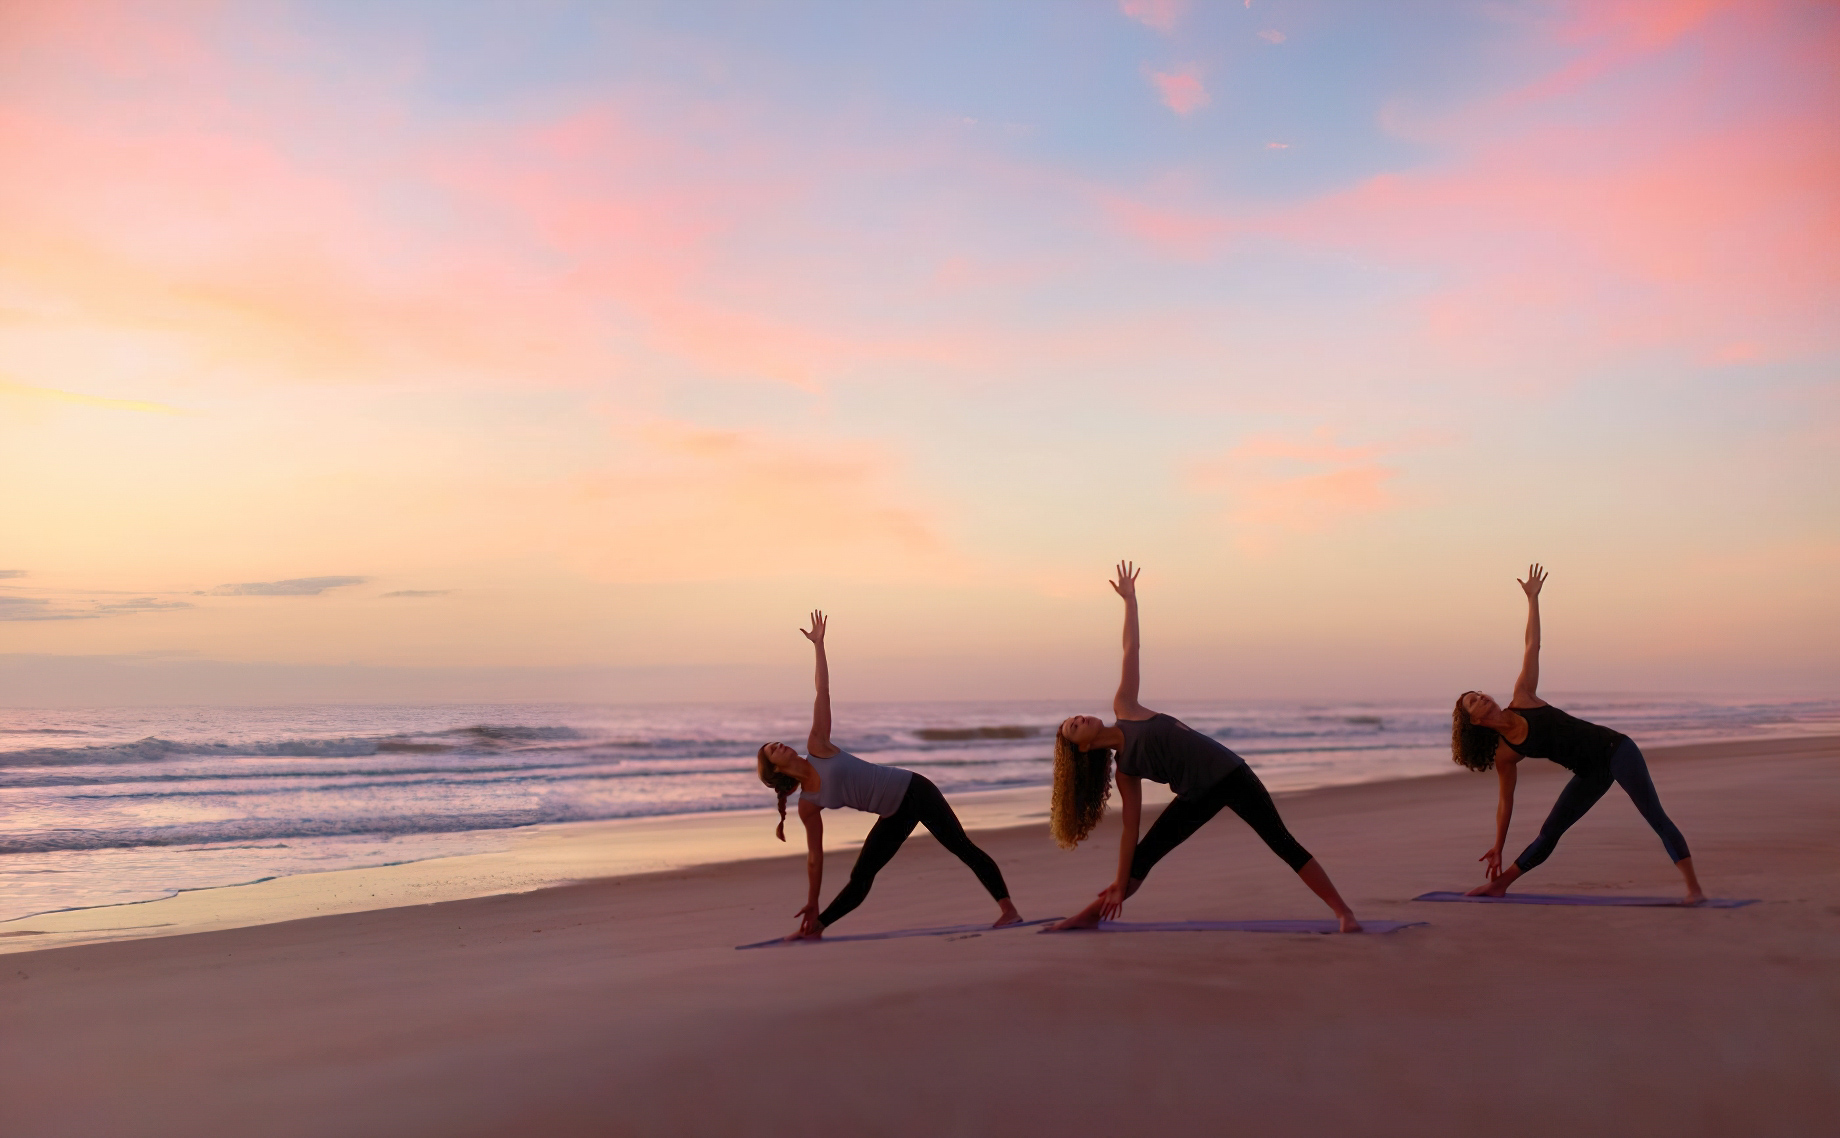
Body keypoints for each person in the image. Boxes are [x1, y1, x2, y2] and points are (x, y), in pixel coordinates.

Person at [1049, 563, 1362, 933]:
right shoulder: (1126, 771)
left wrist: (1130, 601)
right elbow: (1129, 831)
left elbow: (1131, 648)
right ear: (1082, 750)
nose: (1081, 718)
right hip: (1196, 795)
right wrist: (1120, 880)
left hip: (1230, 774)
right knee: (1142, 858)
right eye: (1074, 726)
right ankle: (1091, 914)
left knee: (1281, 842)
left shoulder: (1126, 707)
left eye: (1077, 716)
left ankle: (1345, 914)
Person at [757, 610, 1023, 940]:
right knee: (861, 875)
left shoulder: (818, 745)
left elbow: (822, 690)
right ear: (776, 769)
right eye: (773, 750)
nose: (779, 745)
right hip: (894, 812)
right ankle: (817, 927)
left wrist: (819, 646)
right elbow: (815, 857)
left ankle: (1009, 911)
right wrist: (812, 901)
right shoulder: (808, 804)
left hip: (913, 789)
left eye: (776, 743)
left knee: (960, 846)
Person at [1453, 564, 1705, 904]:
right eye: (1474, 701)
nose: (1482, 697)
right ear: (1475, 722)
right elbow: (1505, 802)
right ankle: (1501, 884)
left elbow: (1532, 645)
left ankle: (1694, 889)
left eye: (1479, 693)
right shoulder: (1506, 753)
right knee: (1550, 832)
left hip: (1616, 749)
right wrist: (1498, 846)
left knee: (1654, 816)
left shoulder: (1523, 697)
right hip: (1591, 772)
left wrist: (1532, 600)